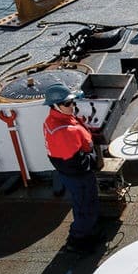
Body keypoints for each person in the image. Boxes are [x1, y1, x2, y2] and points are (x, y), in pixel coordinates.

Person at [43, 83, 102, 253]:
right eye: (67, 104)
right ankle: (79, 241)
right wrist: (93, 160)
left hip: (69, 174)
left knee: (80, 204)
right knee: (86, 206)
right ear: (55, 106)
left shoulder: (52, 120)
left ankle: (84, 233)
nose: (72, 106)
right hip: (79, 176)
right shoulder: (64, 131)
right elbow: (75, 162)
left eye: (72, 102)